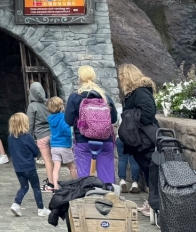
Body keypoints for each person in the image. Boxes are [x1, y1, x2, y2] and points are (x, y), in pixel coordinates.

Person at [64, 65, 118, 184]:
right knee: (107, 177)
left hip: (83, 141)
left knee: (85, 178)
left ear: (79, 78)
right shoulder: (105, 97)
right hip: (106, 141)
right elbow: (113, 119)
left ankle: (86, 198)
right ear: (94, 77)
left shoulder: (75, 97)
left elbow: (68, 120)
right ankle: (108, 197)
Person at [118, 63, 159, 217]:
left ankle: (155, 205)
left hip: (145, 139)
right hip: (140, 140)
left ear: (127, 76)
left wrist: (132, 121)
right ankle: (152, 203)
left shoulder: (140, 92)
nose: (120, 79)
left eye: (122, 76)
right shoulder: (134, 93)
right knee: (148, 172)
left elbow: (149, 114)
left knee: (152, 171)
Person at [7, 112, 50, 217]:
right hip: (29, 167)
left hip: (18, 167)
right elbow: (35, 151)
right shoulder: (27, 137)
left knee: (24, 187)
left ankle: (16, 204)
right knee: (36, 187)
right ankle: (41, 209)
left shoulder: (10, 137)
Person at [26, 82, 55, 191]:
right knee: (55, 160)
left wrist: (28, 138)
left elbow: (30, 124)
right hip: (53, 135)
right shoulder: (49, 103)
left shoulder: (32, 106)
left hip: (41, 136)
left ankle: (51, 184)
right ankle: (55, 181)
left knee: (47, 160)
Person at [46, 96, 76, 189]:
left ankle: (55, 185)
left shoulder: (50, 118)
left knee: (56, 167)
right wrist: (71, 134)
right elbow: (66, 130)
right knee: (72, 166)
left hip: (54, 146)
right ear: (61, 107)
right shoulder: (63, 117)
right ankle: (76, 184)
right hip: (65, 145)